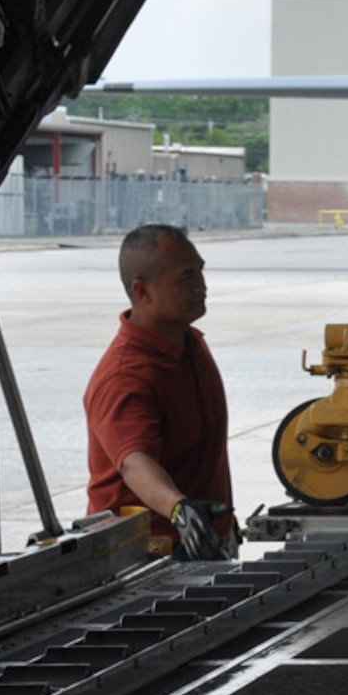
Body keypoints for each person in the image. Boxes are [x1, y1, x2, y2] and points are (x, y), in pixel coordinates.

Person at [85, 224, 238, 560]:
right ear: (142, 292)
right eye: (187, 278)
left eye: (200, 273)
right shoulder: (125, 375)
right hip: (147, 555)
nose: (202, 287)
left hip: (200, 539)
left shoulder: (189, 342)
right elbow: (135, 464)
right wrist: (179, 509)